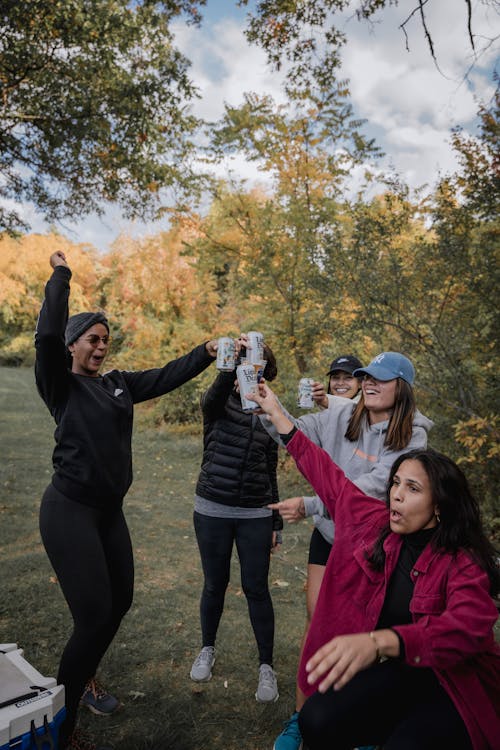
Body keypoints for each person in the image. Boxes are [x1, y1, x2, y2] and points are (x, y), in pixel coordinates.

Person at [250, 382, 500, 750]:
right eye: (396, 483)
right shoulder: (372, 523)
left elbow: (465, 627)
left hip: (448, 681)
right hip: (397, 671)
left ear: (439, 507)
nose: (396, 493)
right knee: (315, 720)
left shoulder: (463, 560)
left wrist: (383, 641)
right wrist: (276, 413)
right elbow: (327, 475)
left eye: (413, 489)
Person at [35, 251, 219, 750]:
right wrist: (60, 275)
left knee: (120, 603)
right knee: (94, 614)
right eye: (93, 340)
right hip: (69, 509)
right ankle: (61, 726)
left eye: (105, 341)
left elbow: (165, 375)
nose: (101, 347)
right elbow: (47, 335)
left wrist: (206, 350)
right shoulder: (61, 384)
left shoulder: (117, 385)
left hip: (108, 513)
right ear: (73, 345)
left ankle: (85, 675)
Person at [267, 352, 434, 750]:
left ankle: (359, 718)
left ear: (403, 388)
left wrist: (310, 504)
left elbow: (370, 492)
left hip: (374, 546)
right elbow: (297, 435)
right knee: (317, 624)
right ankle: (301, 719)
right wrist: (264, 407)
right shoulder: (342, 416)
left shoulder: (415, 436)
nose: (370, 384)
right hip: (329, 536)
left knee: (363, 634)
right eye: (366, 378)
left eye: (381, 378)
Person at [190, 342, 283, 703]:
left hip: (256, 512)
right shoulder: (217, 402)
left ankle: (266, 668)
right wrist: (230, 363)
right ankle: (207, 649)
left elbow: (271, 466)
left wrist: (276, 521)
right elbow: (210, 397)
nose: (250, 370)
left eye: (257, 364)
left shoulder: (269, 408)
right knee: (215, 584)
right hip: (212, 507)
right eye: (245, 364)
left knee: (256, 587)